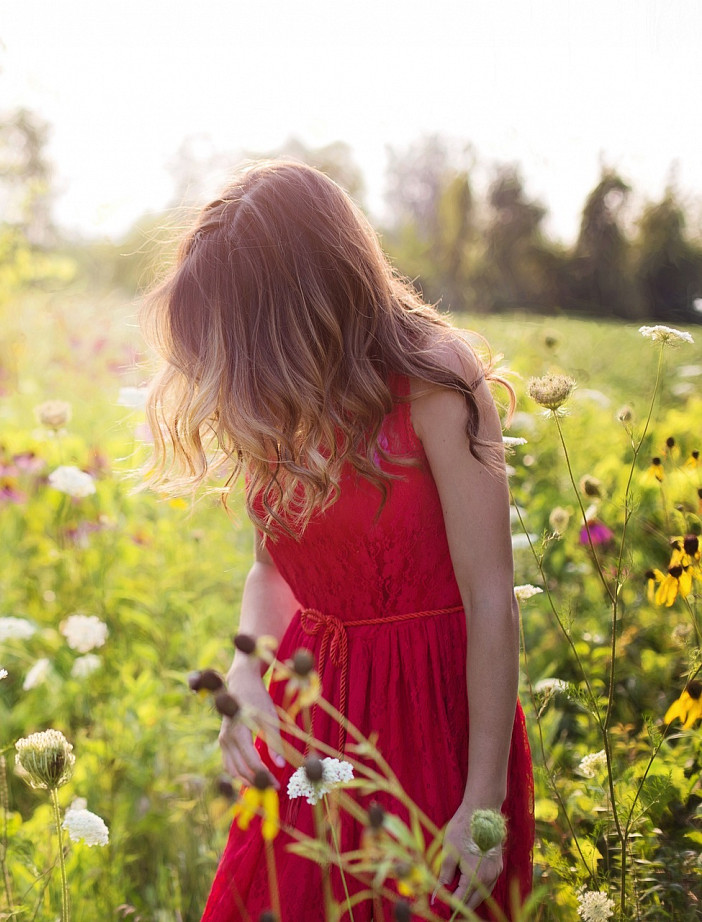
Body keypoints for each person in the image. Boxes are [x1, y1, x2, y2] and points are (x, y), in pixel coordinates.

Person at [133, 159, 534, 920]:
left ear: (303, 302)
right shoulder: (279, 398)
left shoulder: (435, 381)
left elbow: (491, 601)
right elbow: (269, 571)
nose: (238, 359)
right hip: (315, 719)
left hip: (434, 720)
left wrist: (484, 804)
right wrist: (245, 673)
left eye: (247, 327)